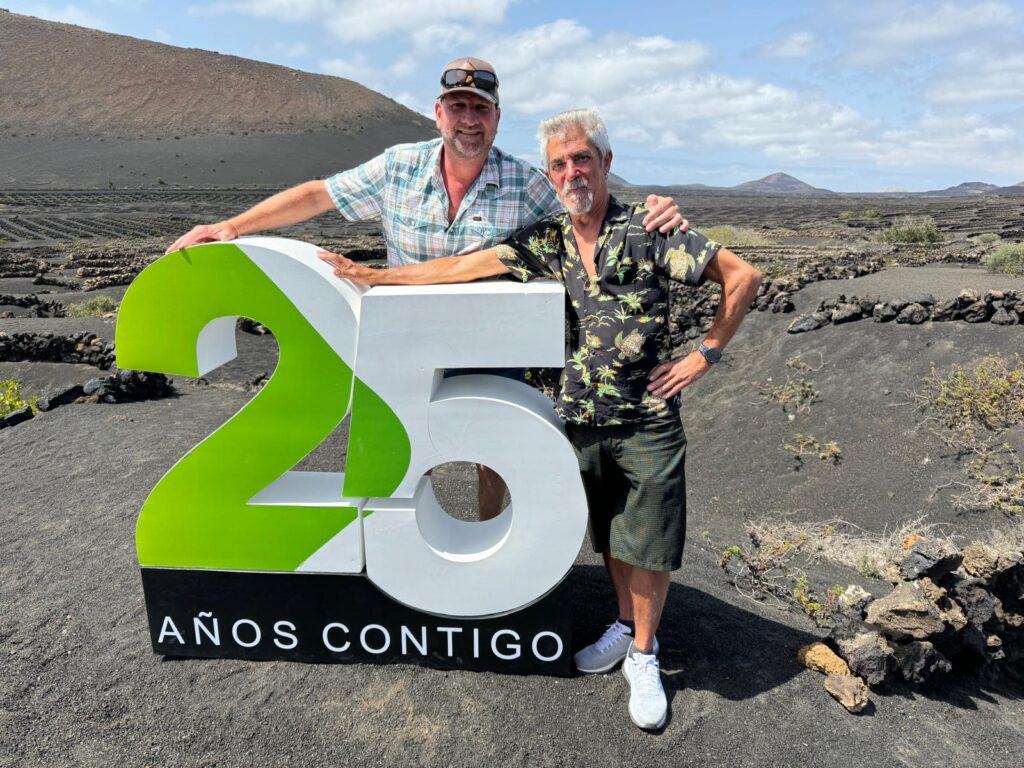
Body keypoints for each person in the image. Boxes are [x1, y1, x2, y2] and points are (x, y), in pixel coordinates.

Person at [319, 108, 762, 730]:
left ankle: (643, 654)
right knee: (611, 535)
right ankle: (622, 623)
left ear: (606, 163)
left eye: (582, 158)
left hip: (645, 417)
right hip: (577, 417)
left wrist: (704, 353)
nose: (572, 171)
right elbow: (460, 267)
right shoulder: (548, 240)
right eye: (560, 163)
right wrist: (378, 276)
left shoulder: (649, 229)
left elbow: (742, 276)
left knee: (651, 541)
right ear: (550, 175)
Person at [166, 58, 686, 521]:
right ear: (438, 113)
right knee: (404, 446)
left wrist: (651, 210)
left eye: (480, 108)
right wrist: (235, 227)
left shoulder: (526, 184)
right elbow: (318, 196)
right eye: (458, 106)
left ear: (497, 118)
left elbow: (588, 210)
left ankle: (487, 535)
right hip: (403, 340)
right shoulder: (398, 167)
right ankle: (408, 547)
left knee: (493, 455)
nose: (469, 119)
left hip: (490, 348)